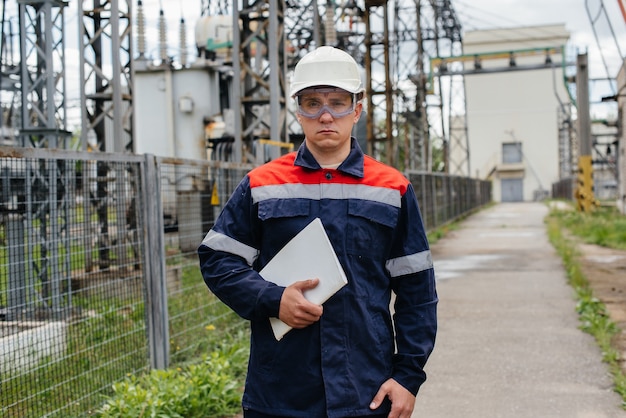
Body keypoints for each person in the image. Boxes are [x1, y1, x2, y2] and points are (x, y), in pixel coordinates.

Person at [198, 46, 437, 418]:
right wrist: (272, 299)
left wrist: (408, 377)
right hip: (280, 392)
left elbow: (417, 292)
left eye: (338, 102)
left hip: (366, 390)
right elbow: (217, 260)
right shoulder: (262, 185)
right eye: (312, 103)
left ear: (357, 109)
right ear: (298, 112)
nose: (325, 115)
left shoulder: (392, 189)